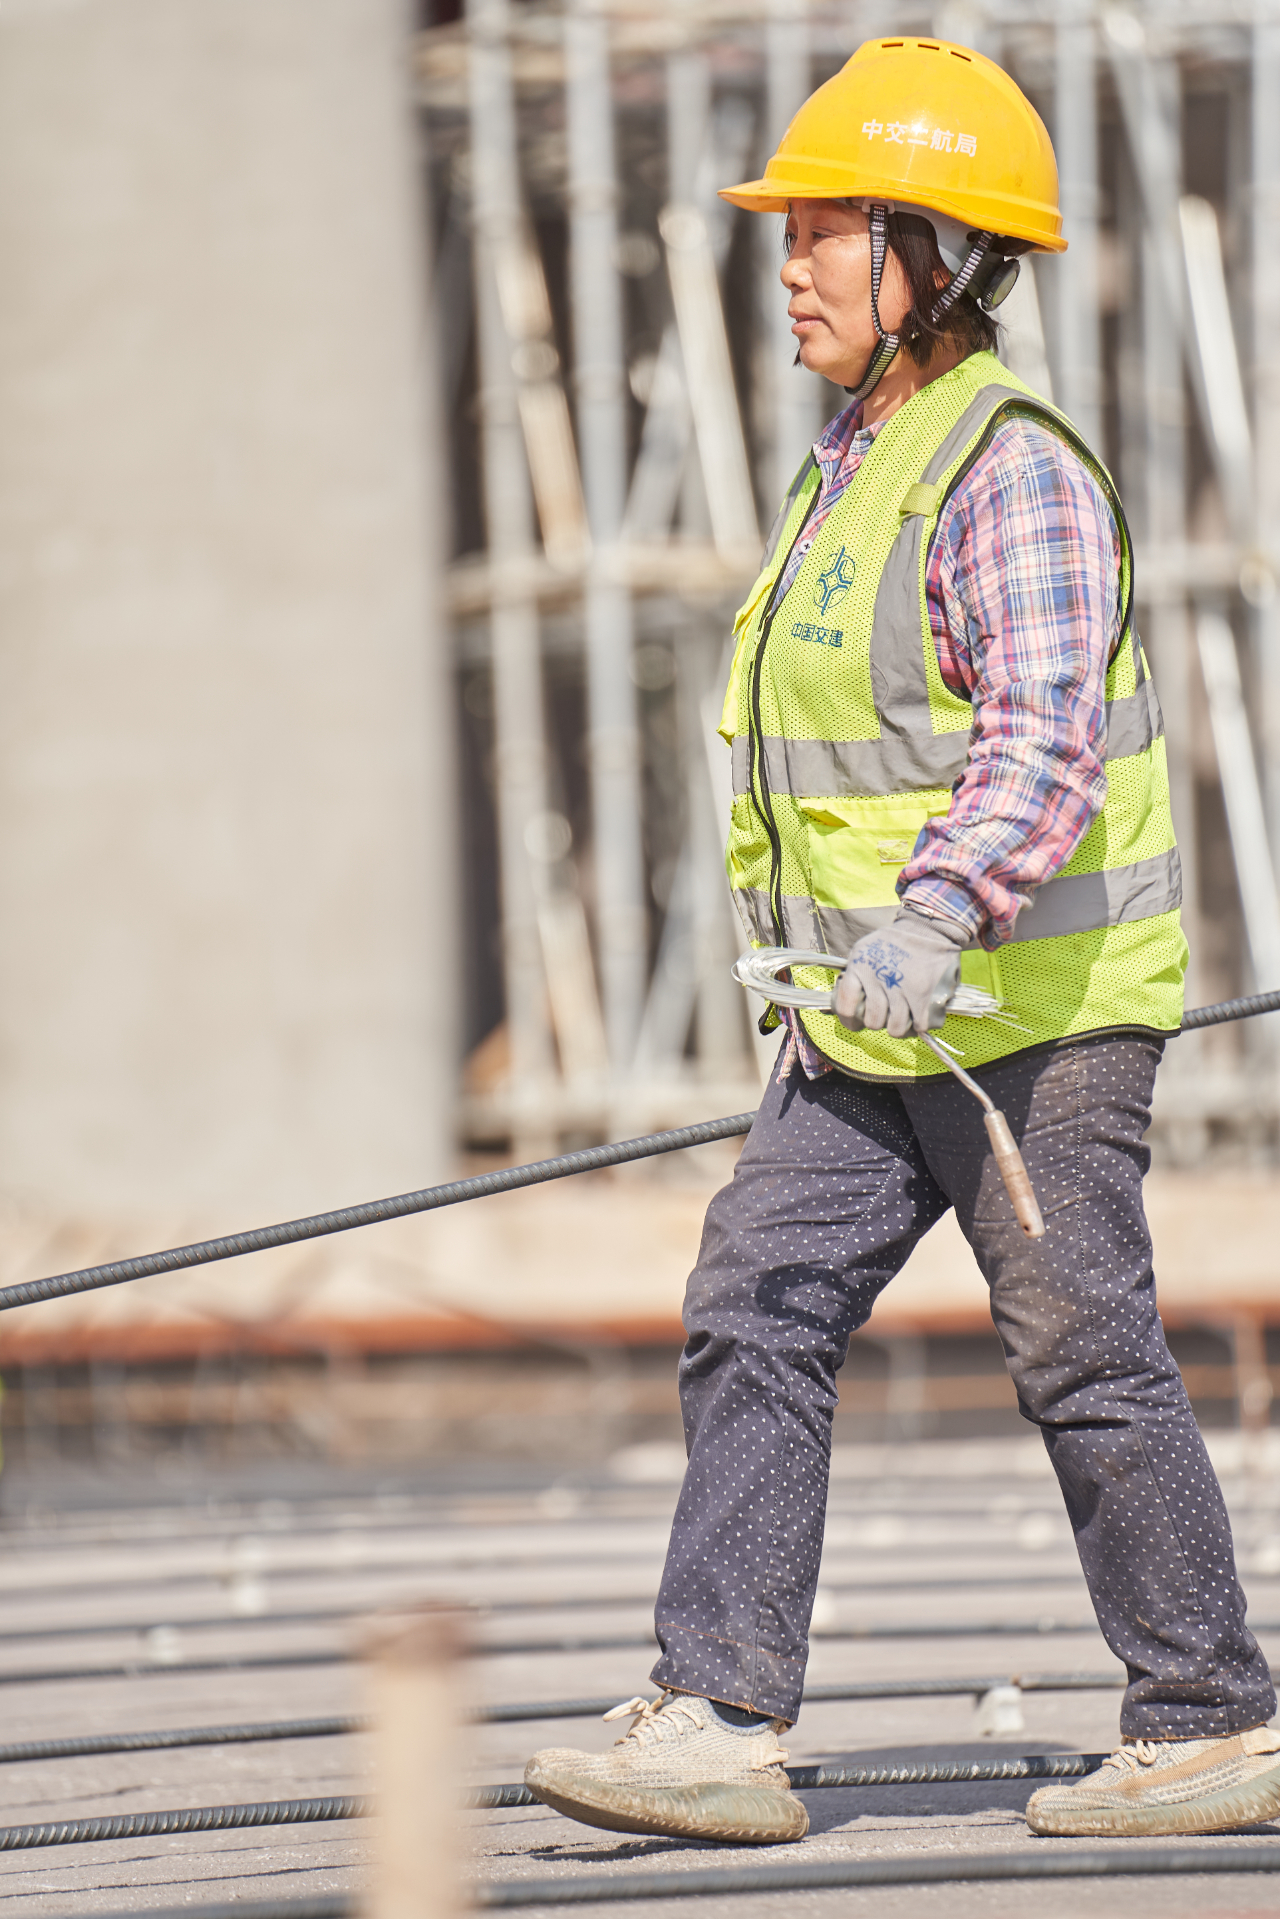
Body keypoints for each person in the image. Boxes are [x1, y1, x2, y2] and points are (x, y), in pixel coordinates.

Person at [524, 34, 1280, 1846]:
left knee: (1078, 1339)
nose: (785, 266)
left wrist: (940, 907)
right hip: (869, 1029)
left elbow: (1038, 731)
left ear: (929, 257)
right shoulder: (855, 460)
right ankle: (716, 1714)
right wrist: (856, 959)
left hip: (1030, 1014)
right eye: (786, 233)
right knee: (756, 1300)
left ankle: (1211, 1721)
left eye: (824, 232)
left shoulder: (1004, 469)